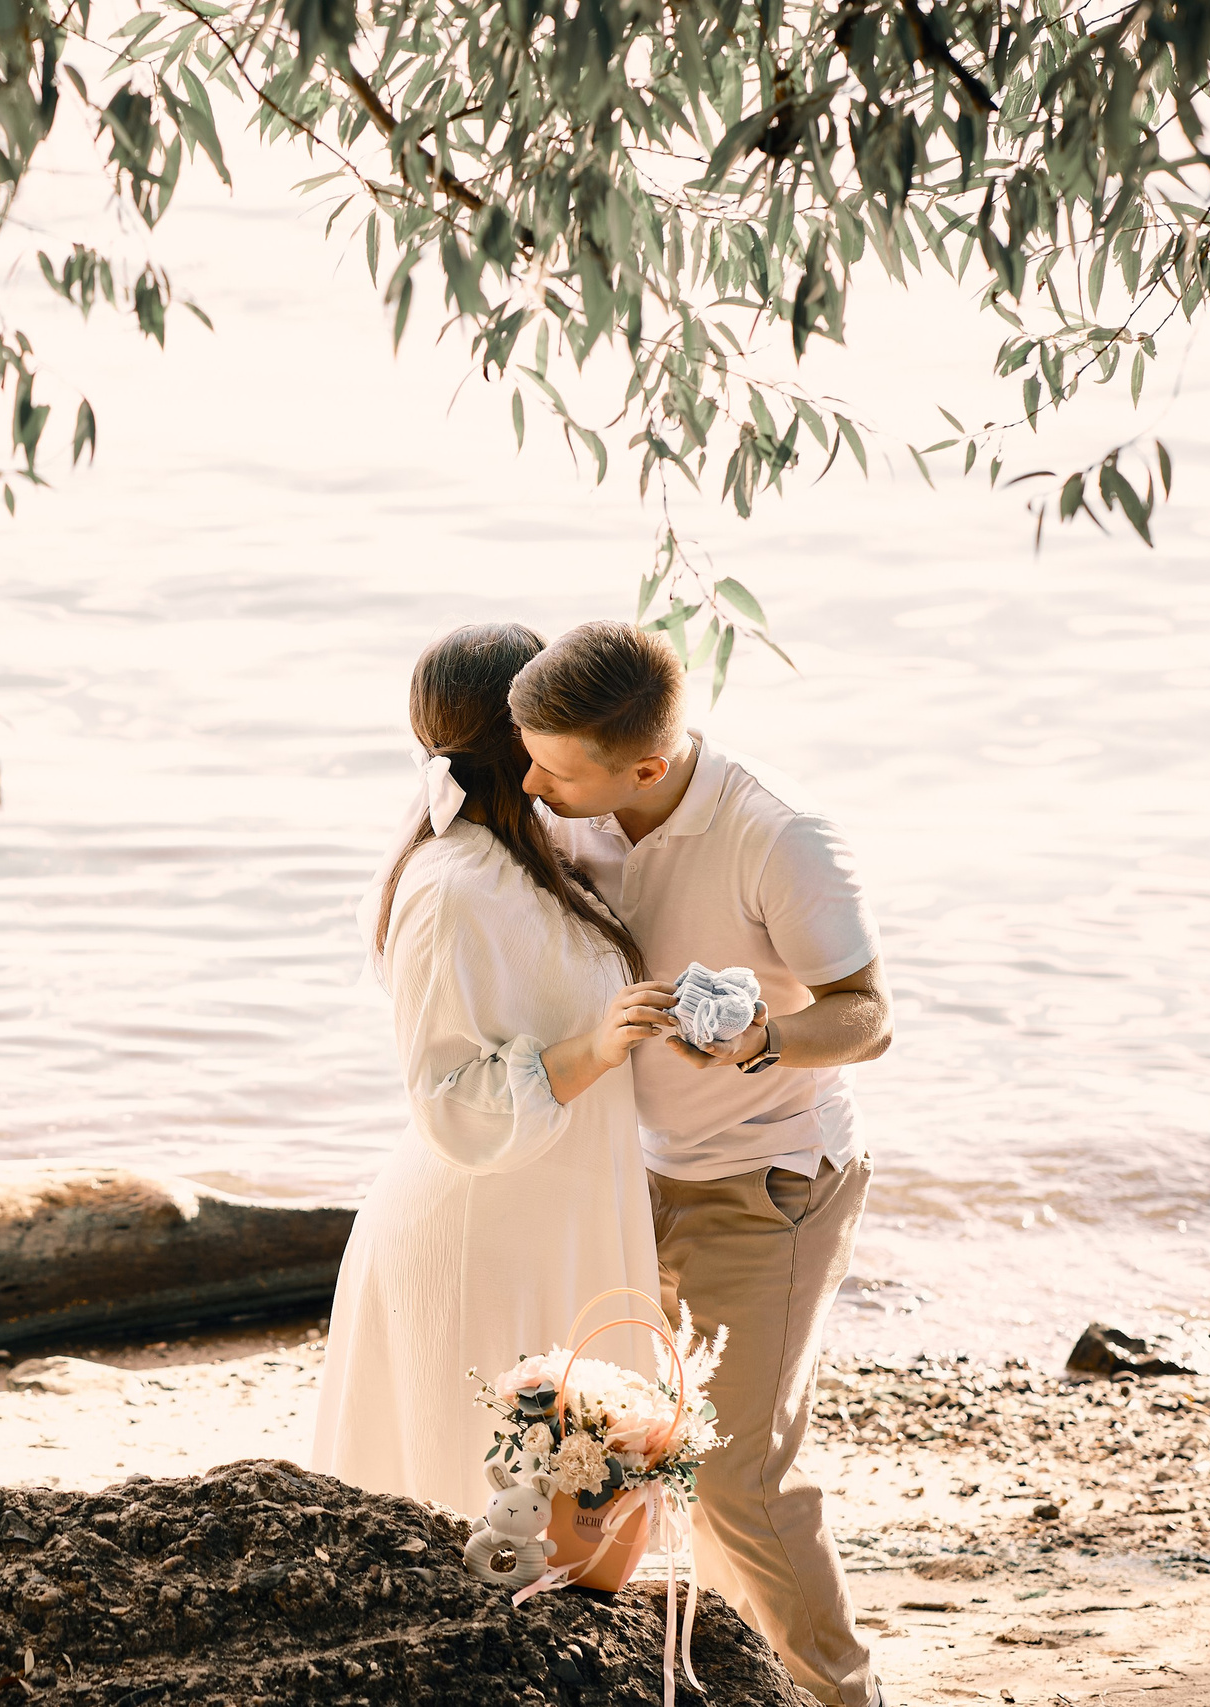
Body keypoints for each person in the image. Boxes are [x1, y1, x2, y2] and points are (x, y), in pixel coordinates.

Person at [511, 620, 893, 1707]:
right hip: (624, 1173)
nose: (528, 783)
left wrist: (758, 1038)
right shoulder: (566, 808)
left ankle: (837, 1698)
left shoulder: (780, 838)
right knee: (610, 1437)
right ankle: (737, 1676)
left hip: (767, 1179)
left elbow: (867, 1019)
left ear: (647, 766)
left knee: (738, 1475)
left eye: (551, 766)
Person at [311, 623, 678, 1518]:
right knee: (475, 1510)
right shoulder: (449, 886)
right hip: (483, 1232)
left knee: (569, 1522)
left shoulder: (540, 851)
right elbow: (449, 1101)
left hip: (562, 1214)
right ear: (520, 731)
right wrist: (590, 1049)